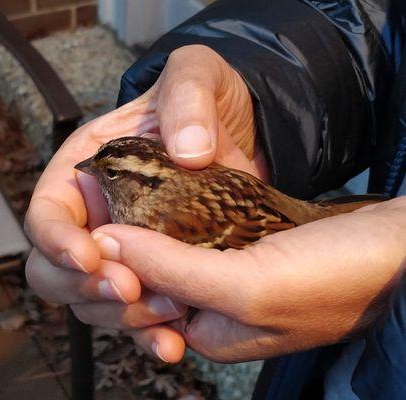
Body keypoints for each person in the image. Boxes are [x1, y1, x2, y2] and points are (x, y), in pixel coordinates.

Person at [25, 1, 406, 398]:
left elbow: (253, 237)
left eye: (113, 174)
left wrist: (394, 283)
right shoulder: (176, 179)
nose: (90, 169)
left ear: (144, 185)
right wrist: (255, 98)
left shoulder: (168, 218)